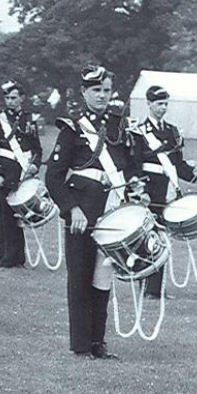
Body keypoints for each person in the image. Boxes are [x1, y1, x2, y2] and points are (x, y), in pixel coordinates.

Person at [44, 65, 136, 359]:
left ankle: (99, 341)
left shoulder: (119, 126)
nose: (102, 96)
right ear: (84, 92)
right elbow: (54, 176)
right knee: (81, 279)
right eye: (96, 90)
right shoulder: (72, 129)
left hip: (112, 212)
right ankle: (82, 345)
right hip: (81, 217)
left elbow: (129, 167)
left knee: (104, 276)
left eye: (106, 90)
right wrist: (72, 209)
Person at [131, 85, 197, 298]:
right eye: (158, 104)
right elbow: (134, 165)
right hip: (148, 193)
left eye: (165, 104)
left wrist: (195, 172)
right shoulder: (138, 132)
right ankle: (144, 285)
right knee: (145, 239)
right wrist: (140, 190)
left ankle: (155, 290)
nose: (162, 108)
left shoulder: (172, 132)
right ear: (149, 104)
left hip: (167, 193)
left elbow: (178, 165)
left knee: (162, 240)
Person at [0, 80, 43, 267]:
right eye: (7, 98)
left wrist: (34, 166)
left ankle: (19, 258)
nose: (10, 101)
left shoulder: (29, 120)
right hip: (5, 172)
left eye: (14, 98)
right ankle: (5, 259)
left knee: (21, 215)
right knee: (5, 216)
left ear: (22, 99)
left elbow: (37, 149)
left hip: (23, 172)